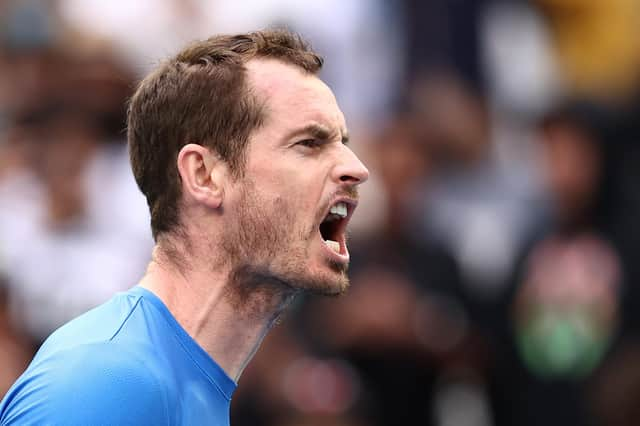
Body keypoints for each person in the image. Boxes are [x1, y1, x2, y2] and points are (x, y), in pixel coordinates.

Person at [0, 29, 369, 426]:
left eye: (341, 142)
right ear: (204, 175)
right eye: (309, 143)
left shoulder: (160, 382)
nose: (357, 168)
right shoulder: (108, 383)